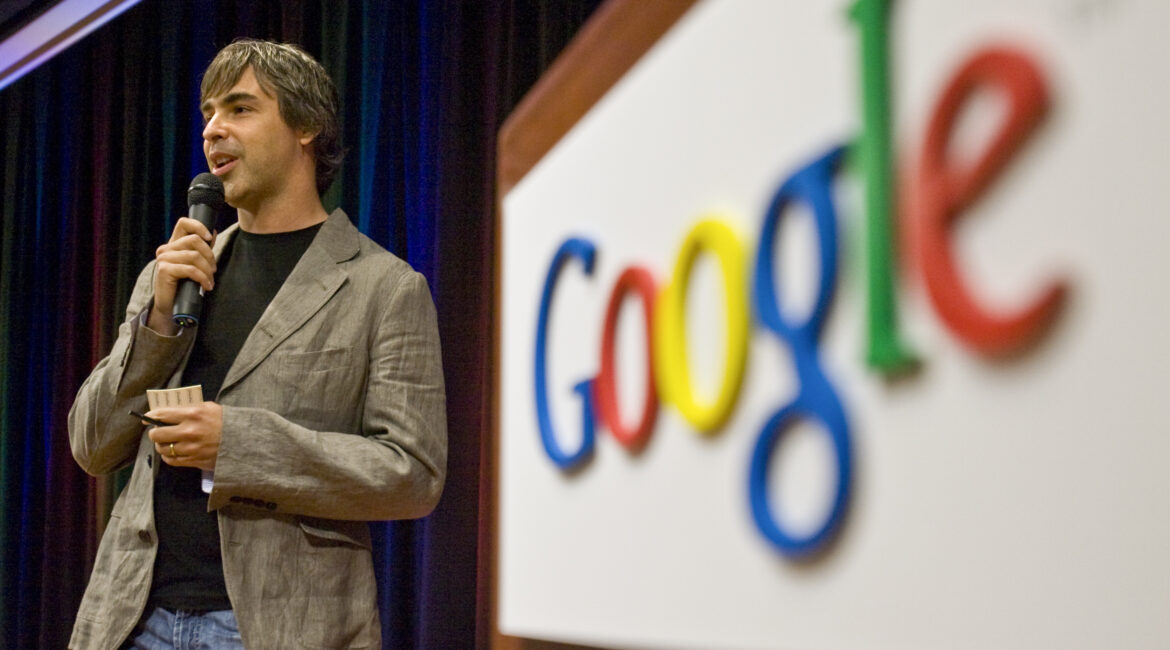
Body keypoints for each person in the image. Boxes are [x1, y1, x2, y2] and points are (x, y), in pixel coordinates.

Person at [67, 39, 447, 649]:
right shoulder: (171, 275)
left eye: (240, 109)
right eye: (208, 114)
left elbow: (412, 474)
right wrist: (159, 321)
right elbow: (91, 443)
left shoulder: (384, 287)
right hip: (132, 618)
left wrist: (238, 444)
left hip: (275, 626)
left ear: (307, 126)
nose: (214, 130)